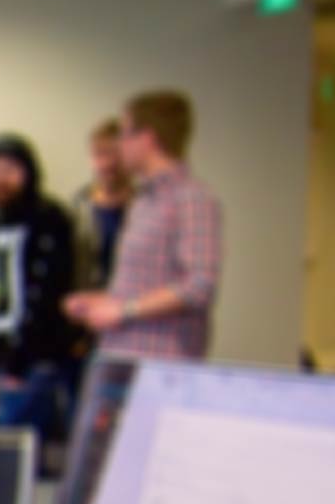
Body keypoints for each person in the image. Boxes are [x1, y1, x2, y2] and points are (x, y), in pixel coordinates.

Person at [64, 90, 222, 359]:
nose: (121, 146)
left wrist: (122, 310)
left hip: (160, 367)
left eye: (125, 135)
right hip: (120, 355)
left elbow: (200, 285)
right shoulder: (143, 202)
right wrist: (103, 302)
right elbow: (143, 287)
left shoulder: (192, 199)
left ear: (147, 138)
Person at [0, 133, 80, 445]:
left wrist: (17, 366)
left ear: (29, 172)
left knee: (12, 456)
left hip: (35, 364)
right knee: (10, 453)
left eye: (9, 170)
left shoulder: (49, 219)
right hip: (4, 366)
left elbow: (45, 297)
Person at [71, 116, 132, 291]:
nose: (108, 163)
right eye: (100, 154)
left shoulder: (148, 206)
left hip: (137, 308)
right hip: (89, 308)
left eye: (116, 153)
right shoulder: (77, 209)